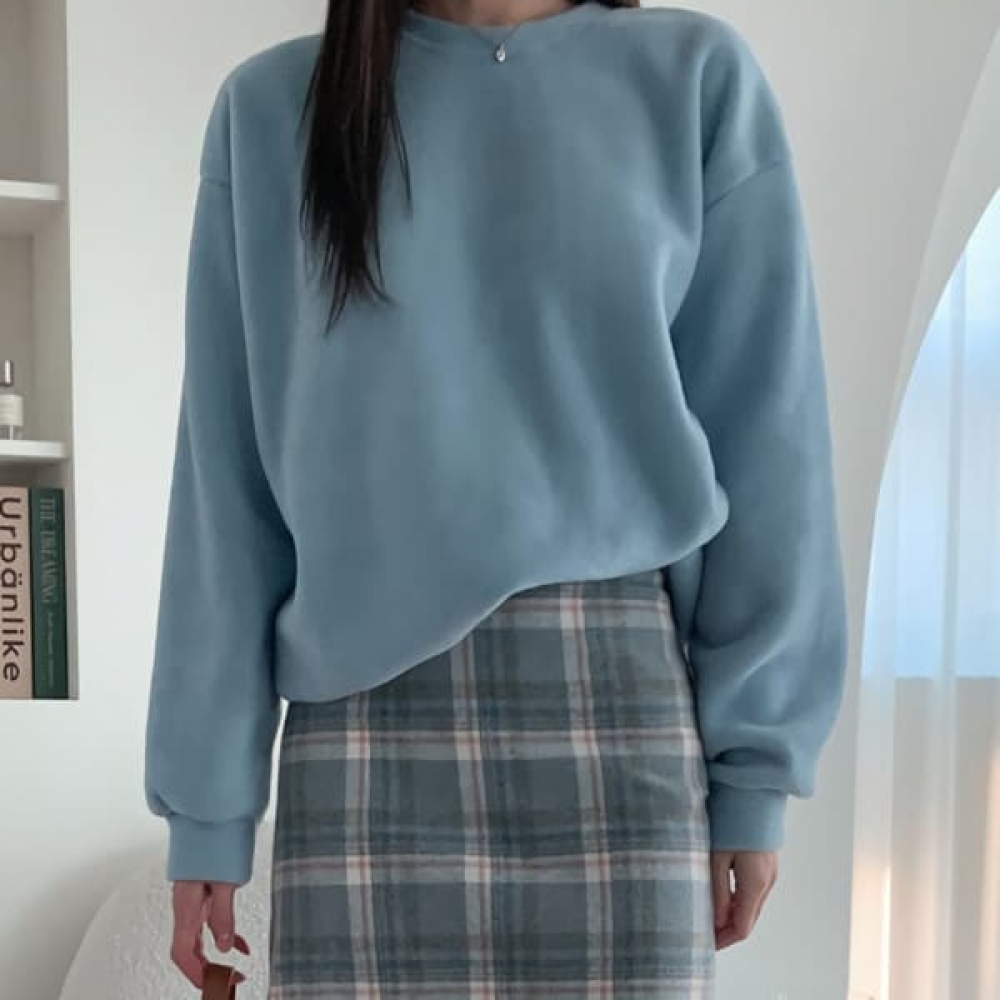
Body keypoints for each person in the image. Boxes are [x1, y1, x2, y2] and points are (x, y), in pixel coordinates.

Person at [145, 0, 849, 995]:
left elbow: (769, 437)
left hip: (621, 726)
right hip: (361, 734)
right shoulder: (270, 109)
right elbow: (225, 487)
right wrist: (207, 810)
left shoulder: (694, 79)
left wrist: (756, 773)